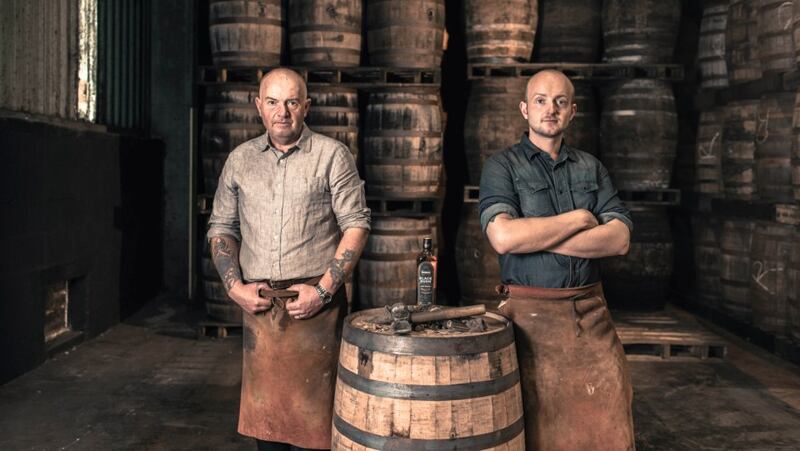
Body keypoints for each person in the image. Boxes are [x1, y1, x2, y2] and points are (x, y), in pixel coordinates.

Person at [206, 68, 370, 451]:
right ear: (258, 106)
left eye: (292, 102)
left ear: (306, 107)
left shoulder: (332, 156)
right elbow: (221, 228)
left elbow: (357, 225)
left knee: (317, 433)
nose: (283, 112)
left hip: (317, 308)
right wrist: (235, 288)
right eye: (274, 102)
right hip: (261, 310)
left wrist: (325, 290)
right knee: (269, 430)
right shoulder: (240, 160)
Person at [479, 70, 636, 450]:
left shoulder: (591, 168)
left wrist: (539, 237)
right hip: (531, 322)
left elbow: (619, 240)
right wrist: (579, 220)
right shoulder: (502, 167)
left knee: (611, 426)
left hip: (591, 317)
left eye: (560, 102)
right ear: (524, 109)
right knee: (540, 432)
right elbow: (503, 237)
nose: (551, 109)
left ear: (572, 111)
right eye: (541, 100)